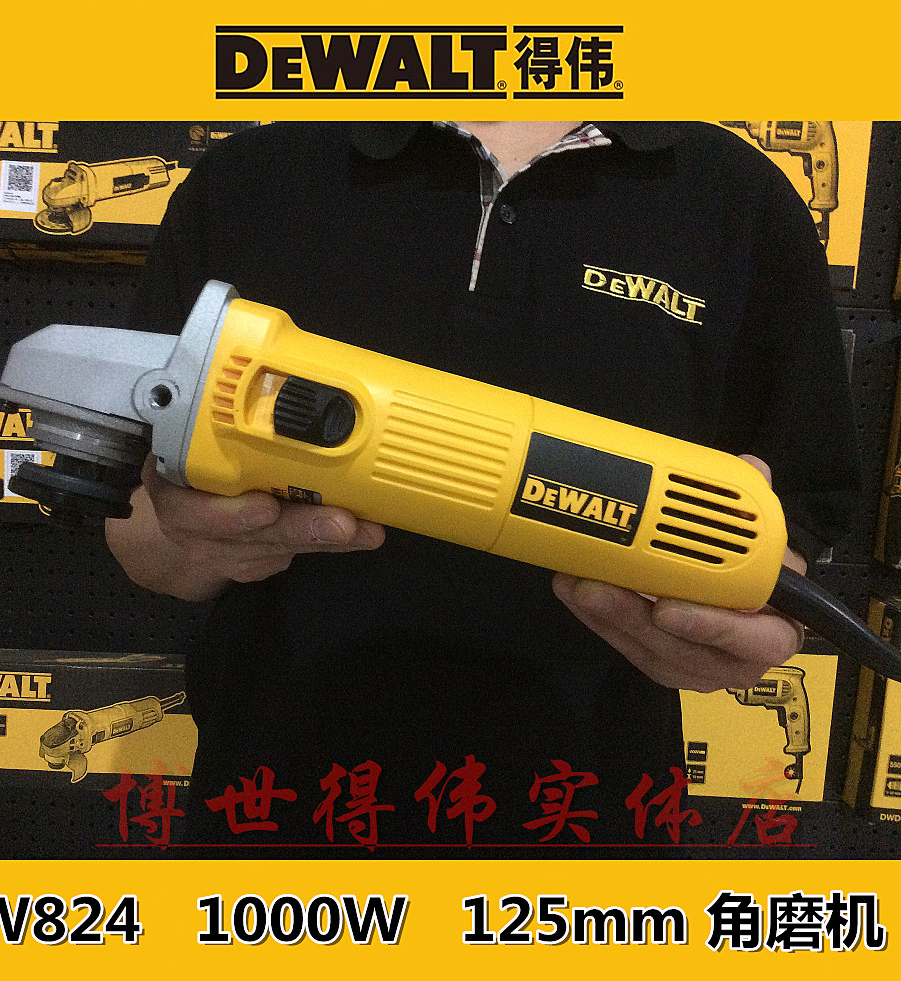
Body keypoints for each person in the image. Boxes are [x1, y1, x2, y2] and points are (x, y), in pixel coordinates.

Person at [107, 121, 860, 852]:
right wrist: (194, 538)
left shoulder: (736, 199)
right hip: (273, 814)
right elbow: (137, 526)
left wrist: (746, 627)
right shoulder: (252, 178)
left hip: (588, 825)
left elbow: (788, 534)